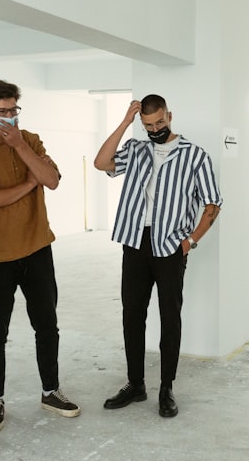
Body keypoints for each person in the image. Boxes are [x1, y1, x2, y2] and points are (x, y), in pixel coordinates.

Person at [0, 80, 80, 432]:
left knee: (47, 323)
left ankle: (51, 390)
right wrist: (31, 182)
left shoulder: (31, 138)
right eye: (2, 112)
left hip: (38, 245)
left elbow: (53, 180)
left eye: (13, 110)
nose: (9, 117)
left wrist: (22, 148)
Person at [93, 95, 222, 418]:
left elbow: (212, 204)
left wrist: (190, 241)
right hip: (134, 242)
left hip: (170, 246)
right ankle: (135, 384)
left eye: (160, 123)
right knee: (132, 315)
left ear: (170, 116)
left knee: (169, 317)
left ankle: (166, 387)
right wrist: (125, 122)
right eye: (148, 125)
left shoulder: (194, 156)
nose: (154, 129)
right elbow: (101, 163)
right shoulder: (136, 150)